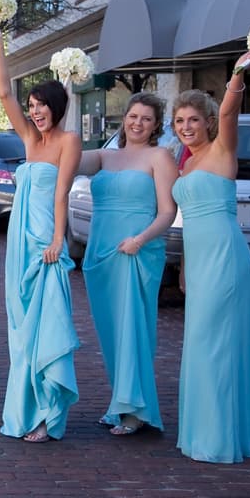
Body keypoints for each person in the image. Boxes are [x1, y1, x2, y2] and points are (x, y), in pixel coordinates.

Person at [0, 21, 81, 443]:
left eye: (43, 105)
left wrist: (59, 241)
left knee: (48, 327)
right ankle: (26, 410)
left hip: (45, 241)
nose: (36, 111)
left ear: (58, 108)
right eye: (33, 105)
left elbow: (61, 194)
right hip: (19, 244)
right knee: (22, 330)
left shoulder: (68, 141)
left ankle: (48, 416)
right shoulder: (28, 138)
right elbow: (3, 92)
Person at [171, 54, 250, 464]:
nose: (186, 128)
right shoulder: (186, 163)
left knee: (217, 345)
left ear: (208, 121)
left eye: (193, 120)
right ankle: (202, 432)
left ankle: (219, 438)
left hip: (226, 259)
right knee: (200, 343)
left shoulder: (223, 148)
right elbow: (187, 223)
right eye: (179, 122)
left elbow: (230, 108)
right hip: (199, 260)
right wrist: (185, 269)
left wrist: (239, 71)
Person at [77, 93, 178, 437]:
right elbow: (65, 156)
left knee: (133, 328)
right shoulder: (106, 156)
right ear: (125, 118)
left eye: (146, 119)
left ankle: (136, 411)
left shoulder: (160, 156)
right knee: (111, 332)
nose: (137, 123)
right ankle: (121, 402)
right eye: (133, 116)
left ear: (155, 125)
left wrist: (141, 239)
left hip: (137, 252)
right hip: (101, 254)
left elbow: (168, 211)